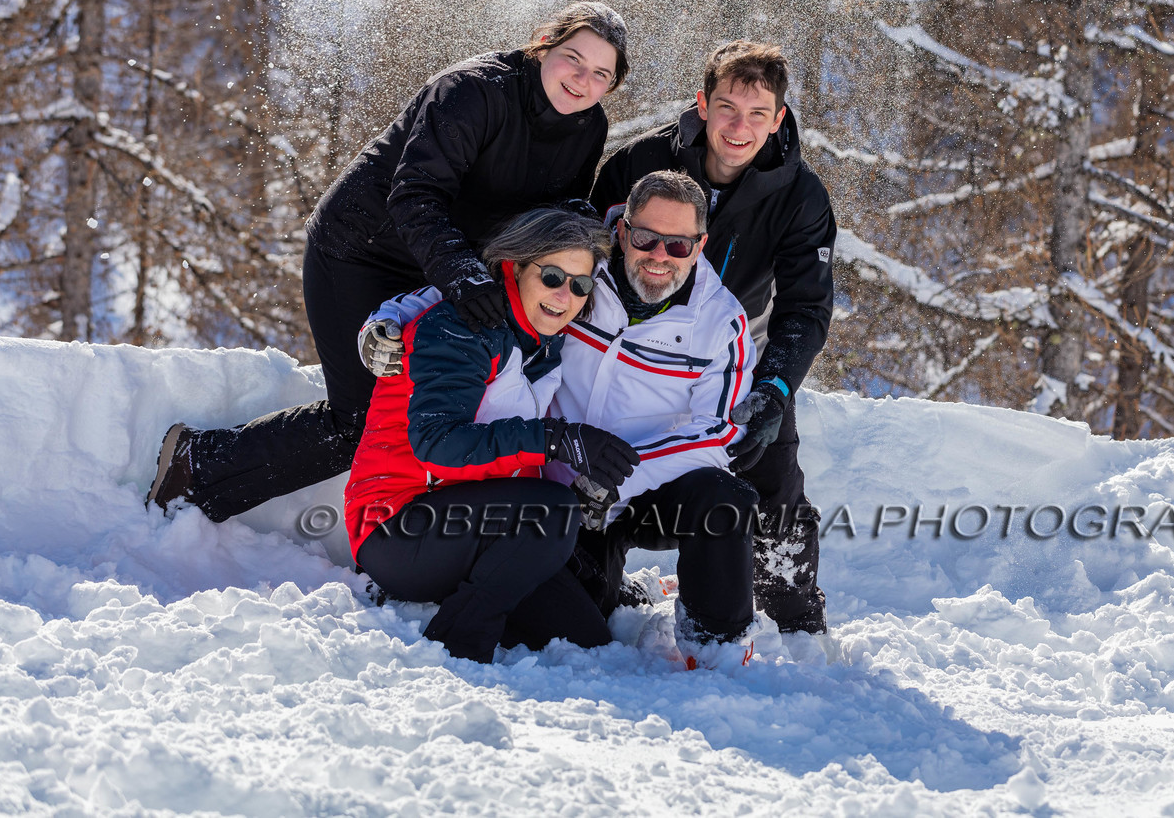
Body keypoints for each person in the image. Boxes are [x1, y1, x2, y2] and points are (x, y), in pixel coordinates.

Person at [149, 2, 629, 521]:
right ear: (542, 47)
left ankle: (424, 540)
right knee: (359, 418)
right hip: (362, 249)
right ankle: (199, 465)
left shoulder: (587, 128)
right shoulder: (472, 92)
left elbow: (553, 223)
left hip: (448, 265)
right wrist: (463, 277)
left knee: (437, 410)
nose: (582, 80)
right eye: (572, 58)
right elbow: (417, 194)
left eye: (601, 73)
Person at [367, 171, 761, 660]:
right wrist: (388, 317)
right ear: (623, 231)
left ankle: (717, 647)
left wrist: (613, 476)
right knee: (572, 596)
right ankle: (457, 633)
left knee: (719, 506)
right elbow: (470, 296)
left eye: (678, 245)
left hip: (613, 490)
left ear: (700, 246)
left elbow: (719, 430)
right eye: (646, 238)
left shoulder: (718, 321)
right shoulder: (581, 273)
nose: (660, 255)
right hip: (518, 502)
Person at [589, 41, 836, 635]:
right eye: (727, 107)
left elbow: (806, 307)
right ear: (702, 104)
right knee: (598, 469)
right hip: (630, 349)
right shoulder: (640, 163)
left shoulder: (800, 196)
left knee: (771, 477)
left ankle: (795, 617)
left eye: (757, 114)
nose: (739, 127)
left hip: (734, 357)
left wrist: (773, 389)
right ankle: (602, 586)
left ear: (779, 118)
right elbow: (584, 250)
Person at [346, 208, 638, 663]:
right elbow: (438, 446)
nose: (565, 296)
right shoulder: (461, 327)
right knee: (551, 510)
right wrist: (556, 439)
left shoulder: (541, 341)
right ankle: (458, 643)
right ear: (517, 266)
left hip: (472, 529)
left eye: (581, 285)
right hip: (396, 528)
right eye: (554, 276)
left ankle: (477, 602)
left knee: (587, 636)